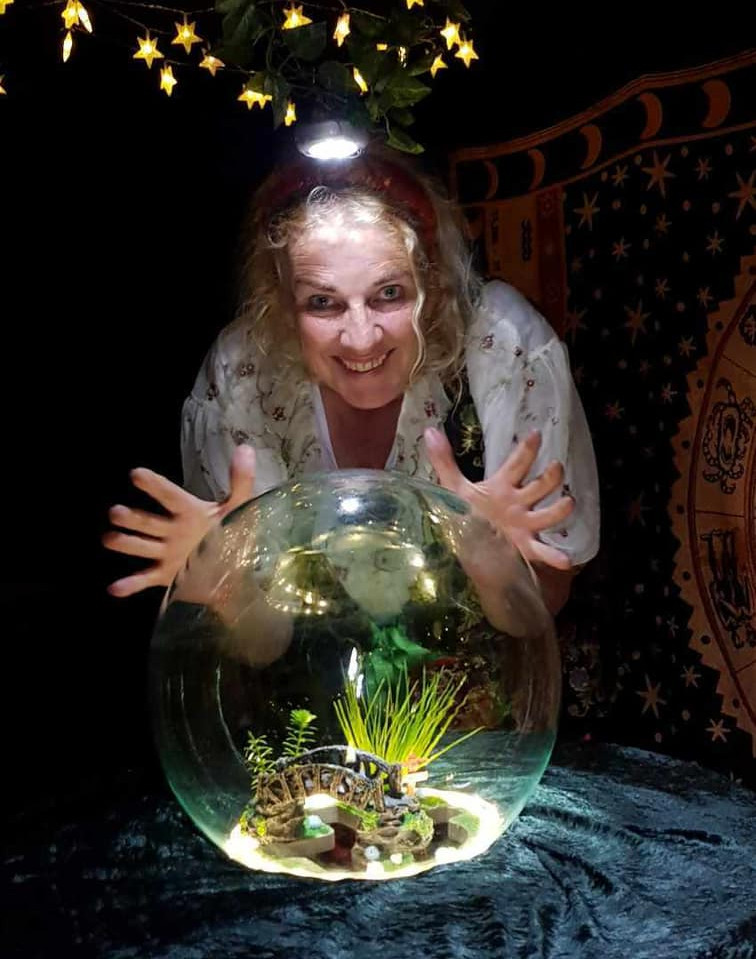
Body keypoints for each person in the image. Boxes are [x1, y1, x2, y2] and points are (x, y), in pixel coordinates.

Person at [103, 144, 599, 614]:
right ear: (281, 305)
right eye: (323, 302)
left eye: (390, 293)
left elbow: (547, 599)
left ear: (433, 285)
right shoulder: (245, 375)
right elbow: (266, 647)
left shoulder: (501, 345)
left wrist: (492, 565)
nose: (361, 339)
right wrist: (225, 592)